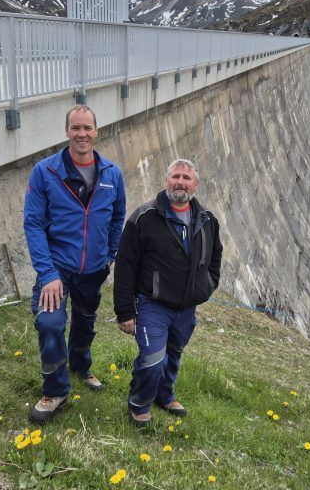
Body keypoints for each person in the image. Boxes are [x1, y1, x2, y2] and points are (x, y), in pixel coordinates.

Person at [23, 105, 126, 423]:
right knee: (50, 323)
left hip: (93, 268)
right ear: (67, 131)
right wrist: (47, 273)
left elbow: (117, 216)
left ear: (97, 131)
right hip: (56, 269)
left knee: (85, 320)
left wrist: (109, 254)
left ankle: (81, 367)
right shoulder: (45, 172)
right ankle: (56, 391)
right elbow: (33, 224)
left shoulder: (112, 173)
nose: (82, 134)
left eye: (87, 128)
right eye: (75, 128)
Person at [114, 159, 223, 426]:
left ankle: (165, 395)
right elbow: (126, 266)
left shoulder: (207, 220)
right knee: (152, 359)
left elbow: (215, 258)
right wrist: (124, 311)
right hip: (153, 304)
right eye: (176, 176)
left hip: (186, 307)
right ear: (166, 180)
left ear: (195, 185)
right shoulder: (144, 217)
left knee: (174, 353)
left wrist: (207, 285)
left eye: (187, 178)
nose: (181, 182)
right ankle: (139, 404)